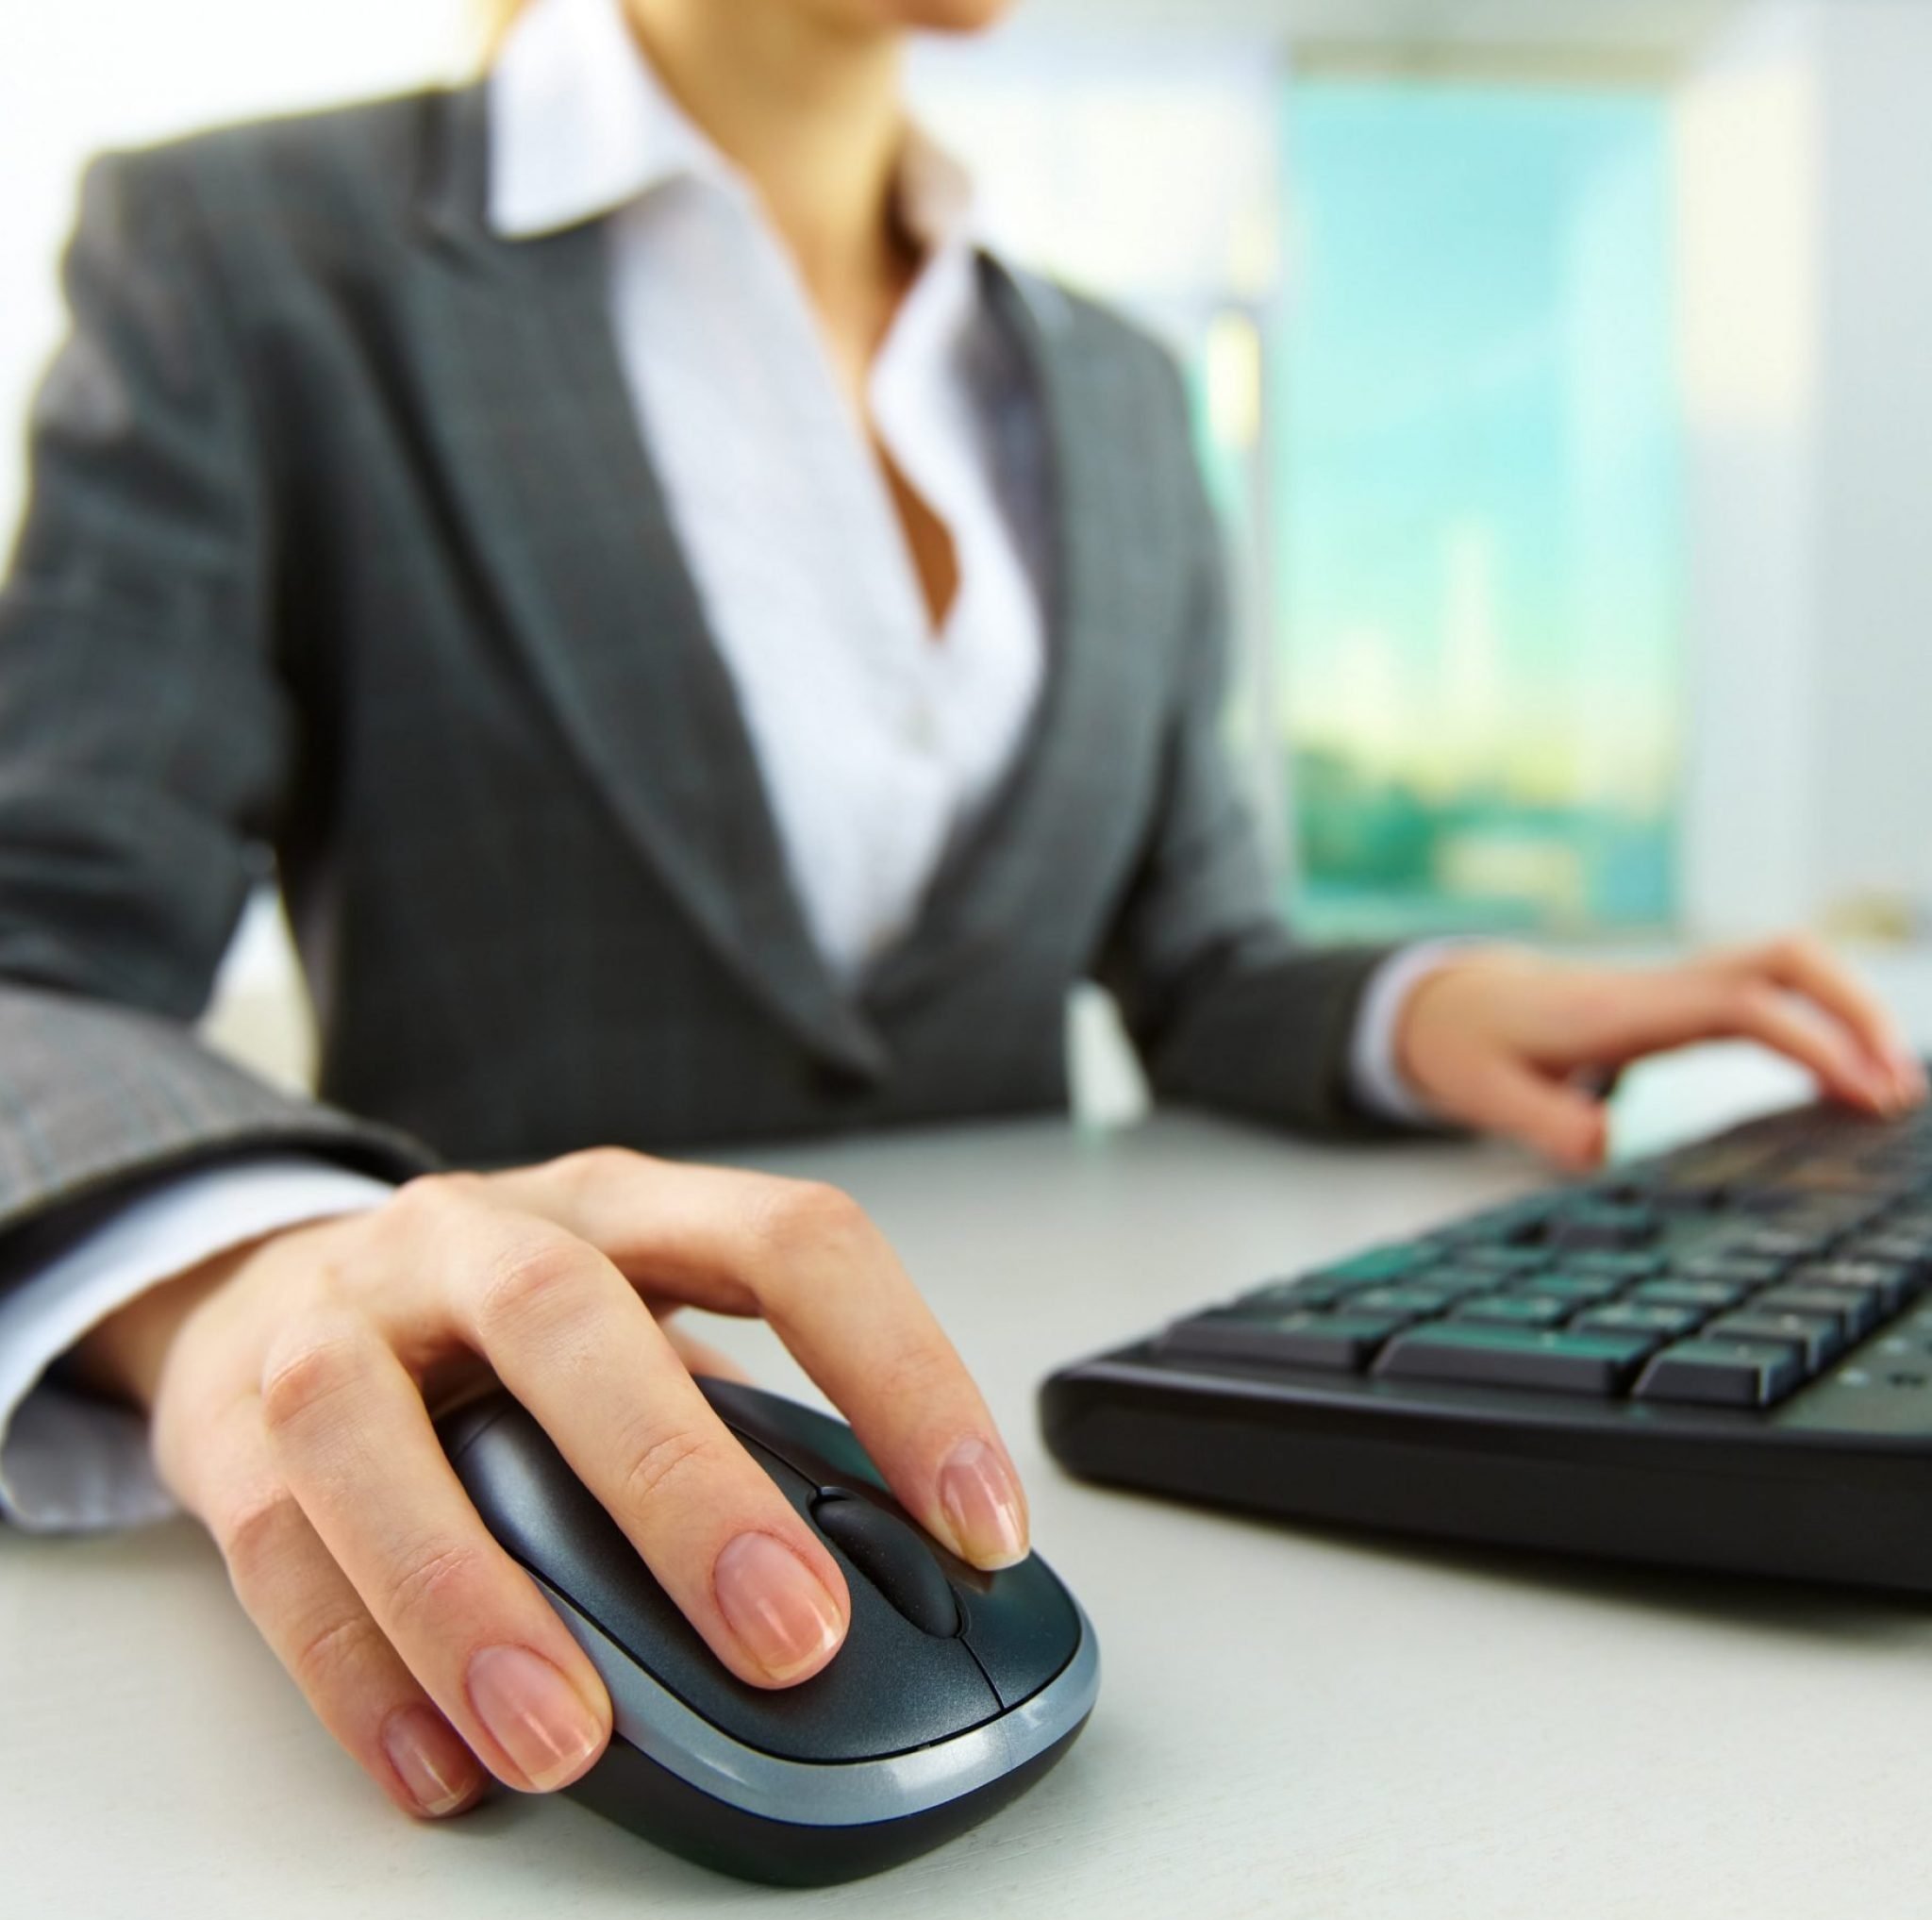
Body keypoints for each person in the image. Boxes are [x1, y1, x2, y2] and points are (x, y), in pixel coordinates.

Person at [0, 0, 1920, 1828]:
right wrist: (239, 1273)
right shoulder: (249, 259)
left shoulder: (1112, 381)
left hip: (1046, 1444)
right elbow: (40, 956)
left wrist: (1419, 1000)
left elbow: (1196, 953)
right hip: (550, 1427)